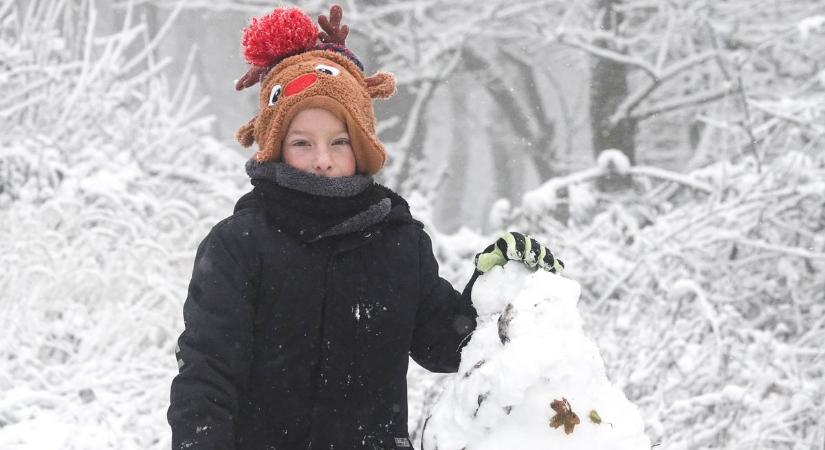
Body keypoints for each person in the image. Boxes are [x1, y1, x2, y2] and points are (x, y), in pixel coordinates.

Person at [167, 5, 564, 450]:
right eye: (302, 143)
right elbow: (207, 373)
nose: (323, 157)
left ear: (362, 148)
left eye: (339, 141)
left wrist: (503, 286)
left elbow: (449, 344)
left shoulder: (398, 241)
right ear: (276, 149)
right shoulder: (239, 245)